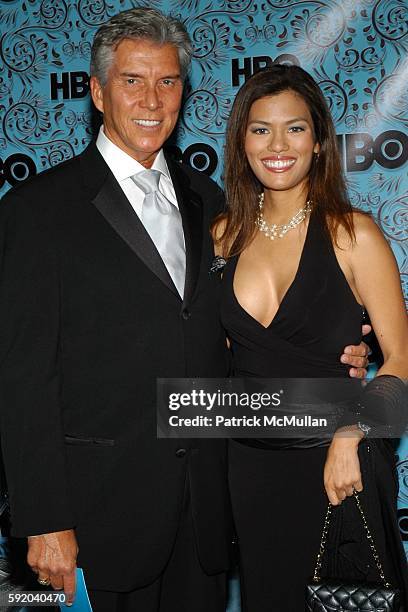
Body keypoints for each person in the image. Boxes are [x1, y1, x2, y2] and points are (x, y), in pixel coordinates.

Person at [0, 9, 369, 612]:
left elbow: (243, 338)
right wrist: (42, 520)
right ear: (95, 92)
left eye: (168, 81)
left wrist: (336, 364)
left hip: (206, 510)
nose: (152, 99)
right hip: (99, 517)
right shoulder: (37, 211)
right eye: (132, 80)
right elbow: (21, 378)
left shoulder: (211, 202)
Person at [213, 65, 408, 611]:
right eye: (260, 129)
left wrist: (351, 434)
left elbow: (403, 360)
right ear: (241, 141)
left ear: (319, 140)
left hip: (338, 462)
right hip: (248, 467)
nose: (278, 145)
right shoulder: (220, 237)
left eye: (294, 128)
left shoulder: (354, 233)